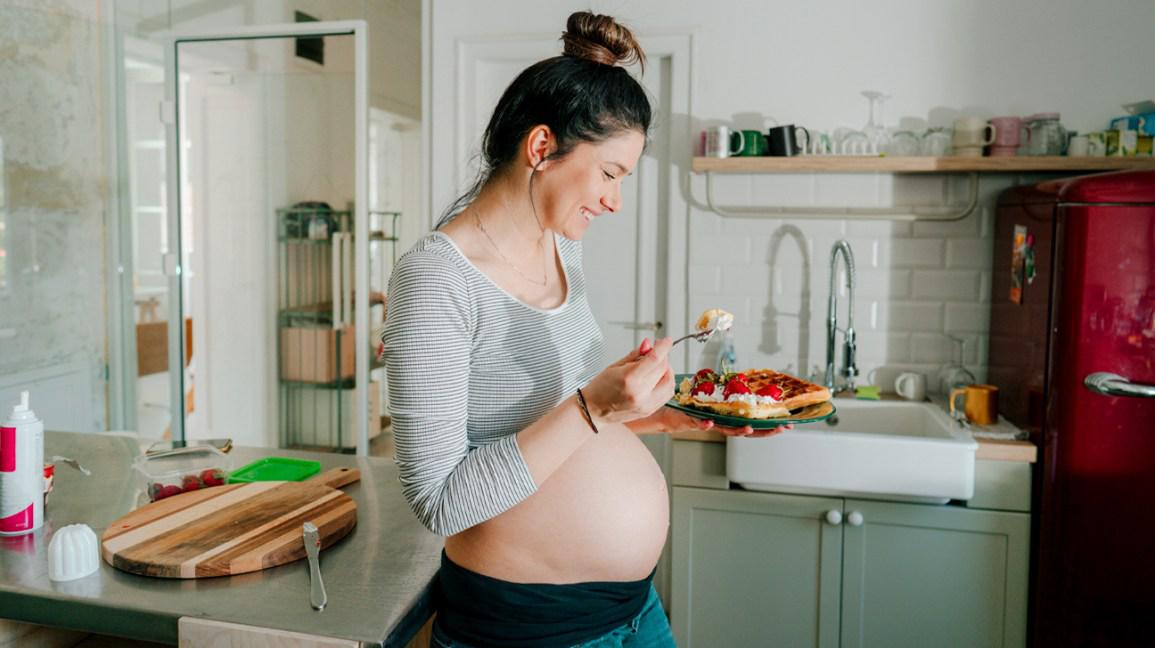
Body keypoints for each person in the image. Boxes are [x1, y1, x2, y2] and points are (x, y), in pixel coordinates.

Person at [382, 12, 788, 647]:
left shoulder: (561, 249)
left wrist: (657, 416)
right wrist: (596, 403)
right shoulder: (436, 278)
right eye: (609, 174)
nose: (614, 201)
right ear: (542, 148)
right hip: (529, 629)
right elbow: (440, 501)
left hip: (633, 611)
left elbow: (554, 425)